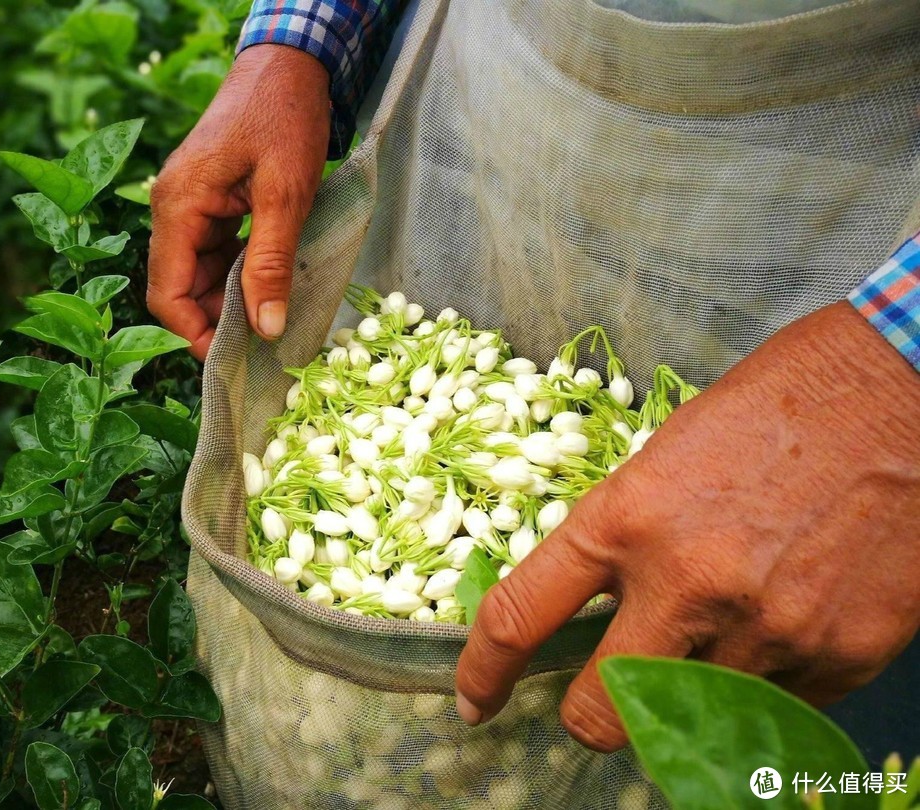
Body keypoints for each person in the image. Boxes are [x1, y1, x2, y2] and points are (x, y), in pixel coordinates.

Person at [147, 0, 920, 756]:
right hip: (497, 88)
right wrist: (299, 38)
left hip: (851, 188)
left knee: (806, 671)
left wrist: (895, 387)